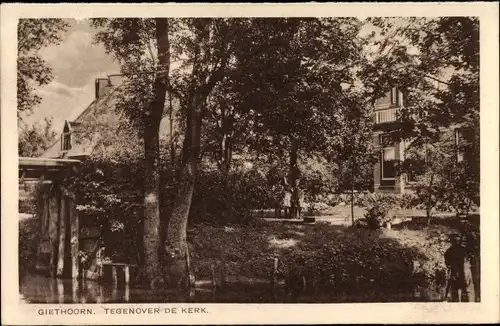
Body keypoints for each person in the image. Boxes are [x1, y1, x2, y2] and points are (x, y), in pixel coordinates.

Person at [444, 233, 470, 302]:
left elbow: (467, 262)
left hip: (463, 274)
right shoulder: (449, 251)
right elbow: (447, 264)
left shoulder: (463, 250)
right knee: (455, 292)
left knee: (464, 293)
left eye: (458, 241)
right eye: (455, 241)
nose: (456, 242)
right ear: (452, 242)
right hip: (454, 274)